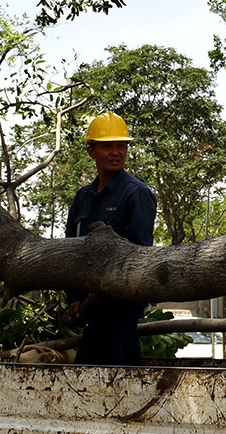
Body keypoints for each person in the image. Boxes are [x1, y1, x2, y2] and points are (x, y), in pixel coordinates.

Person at [63, 112, 159, 364]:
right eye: (107, 146)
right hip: (90, 306)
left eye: (121, 145)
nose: (116, 152)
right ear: (91, 151)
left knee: (92, 370)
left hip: (120, 306)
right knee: (123, 371)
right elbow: (70, 249)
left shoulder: (136, 194)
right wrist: (73, 298)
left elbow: (138, 255)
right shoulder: (83, 198)